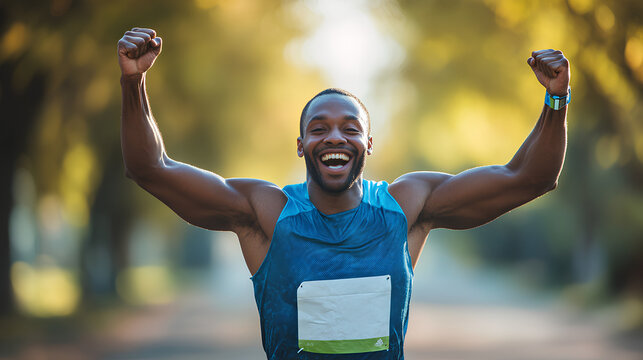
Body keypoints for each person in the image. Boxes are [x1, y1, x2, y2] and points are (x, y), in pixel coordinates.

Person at [118, 27, 569, 360]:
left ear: (368, 145)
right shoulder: (266, 213)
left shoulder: (406, 207)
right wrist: (133, 83)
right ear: (300, 146)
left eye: (350, 129)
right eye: (319, 129)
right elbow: (151, 168)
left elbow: (529, 178)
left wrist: (556, 100)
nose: (335, 137)